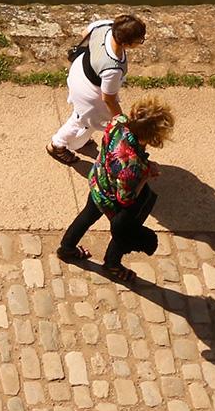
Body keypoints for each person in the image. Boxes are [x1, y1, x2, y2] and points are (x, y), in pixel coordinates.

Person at [57, 96, 175, 282]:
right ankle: (112, 263)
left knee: (86, 216)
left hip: (99, 181)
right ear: (151, 137)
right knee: (125, 228)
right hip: (112, 197)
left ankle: (66, 248)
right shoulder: (133, 166)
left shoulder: (118, 122)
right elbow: (126, 198)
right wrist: (146, 175)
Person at [46, 13, 146, 166]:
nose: (141, 42)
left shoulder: (105, 25)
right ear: (126, 43)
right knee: (81, 120)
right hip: (89, 92)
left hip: (79, 70)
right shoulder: (113, 68)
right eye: (140, 40)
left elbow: (85, 33)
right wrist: (121, 121)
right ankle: (57, 145)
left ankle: (80, 140)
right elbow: (109, 99)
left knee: (84, 119)